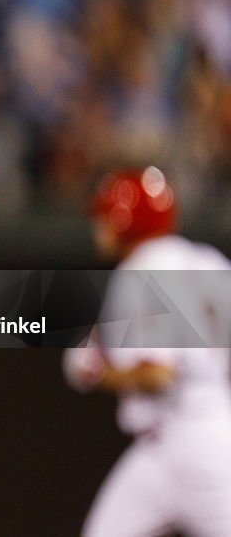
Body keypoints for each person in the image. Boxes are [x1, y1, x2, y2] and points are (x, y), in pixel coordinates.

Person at [63, 166, 231, 537]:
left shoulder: (141, 270)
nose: (99, 225)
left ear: (123, 217)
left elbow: (158, 375)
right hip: (180, 440)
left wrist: (98, 373)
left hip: (192, 440)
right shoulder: (207, 260)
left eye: (104, 215)